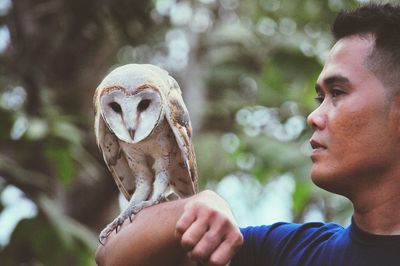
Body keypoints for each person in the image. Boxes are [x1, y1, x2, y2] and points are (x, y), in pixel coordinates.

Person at [95, 3, 400, 266]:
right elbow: (112, 257)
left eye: (337, 92)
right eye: (320, 99)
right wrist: (190, 208)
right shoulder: (284, 253)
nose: (314, 117)